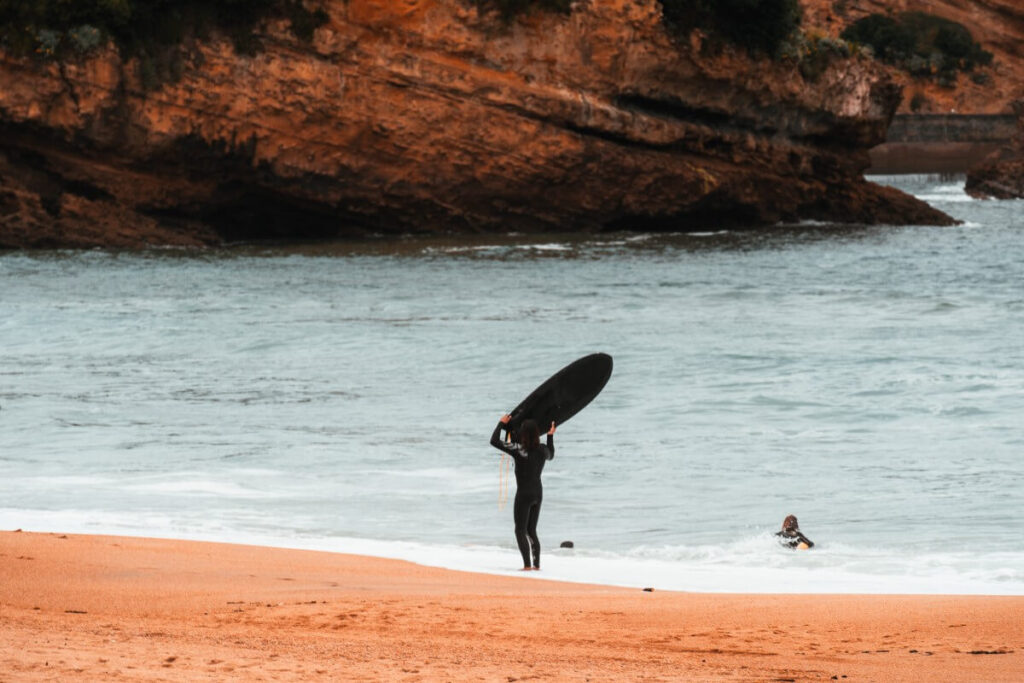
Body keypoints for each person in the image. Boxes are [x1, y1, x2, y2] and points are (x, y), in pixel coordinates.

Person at [490, 414, 555, 570]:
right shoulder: (543, 450)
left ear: (523, 434)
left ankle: (527, 566)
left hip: (524, 494)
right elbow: (551, 454)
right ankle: (537, 566)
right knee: (531, 530)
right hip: (538, 493)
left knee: (520, 530)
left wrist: (501, 424)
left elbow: (494, 441)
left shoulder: (519, 450)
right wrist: (550, 436)